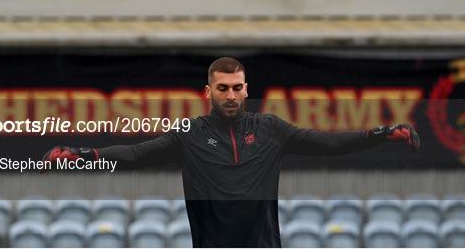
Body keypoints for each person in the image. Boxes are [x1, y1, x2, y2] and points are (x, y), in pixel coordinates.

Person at [42, 57, 420, 248]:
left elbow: (328, 144)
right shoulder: (187, 134)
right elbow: (136, 155)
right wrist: (82, 153)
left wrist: (380, 133)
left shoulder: (271, 129)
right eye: (222, 88)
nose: (231, 95)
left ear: (246, 88)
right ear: (208, 92)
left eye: (237, 87)